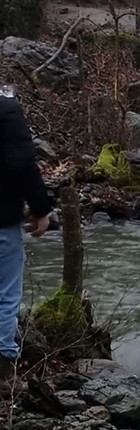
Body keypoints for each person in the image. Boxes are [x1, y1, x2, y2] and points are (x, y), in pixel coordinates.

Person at [1, 87, 51, 388]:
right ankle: (4, 368)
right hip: (2, 222)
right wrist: (41, 209)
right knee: (5, 294)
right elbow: (22, 164)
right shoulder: (6, 112)